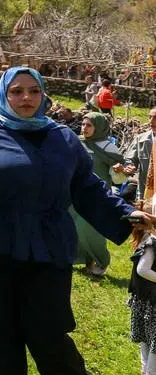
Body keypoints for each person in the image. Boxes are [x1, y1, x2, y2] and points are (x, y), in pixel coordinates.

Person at [0, 67, 155, 375]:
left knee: (46, 326)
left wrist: (125, 212)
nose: (26, 98)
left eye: (33, 90)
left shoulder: (62, 138)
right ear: (5, 95)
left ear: (44, 94)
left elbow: (89, 188)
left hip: (48, 244)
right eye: (17, 91)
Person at [75, 112, 124, 275]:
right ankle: (86, 262)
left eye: (89, 125)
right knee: (75, 228)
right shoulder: (76, 142)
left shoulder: (108, 147)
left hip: (97, 195)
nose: (84, 128)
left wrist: (118, 169)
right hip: (75, 192)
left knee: (92, 230)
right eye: (83, 125)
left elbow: (119, 177)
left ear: (99, 127)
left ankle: (101, 262)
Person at [128, 205, 156, 375]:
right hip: (150, 300)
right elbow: (142, 270)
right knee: (152, 338)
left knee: (147, 337)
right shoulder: (152, 243)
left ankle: (146, 369)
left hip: (146, 298)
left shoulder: (150, 239)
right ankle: (151, 374)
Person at [123, 107, 156, 203]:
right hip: (145, 193)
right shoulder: (141, 139)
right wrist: (129, 166)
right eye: (150, 117)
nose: (151, 121)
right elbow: (129, 159)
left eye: (155, 118)